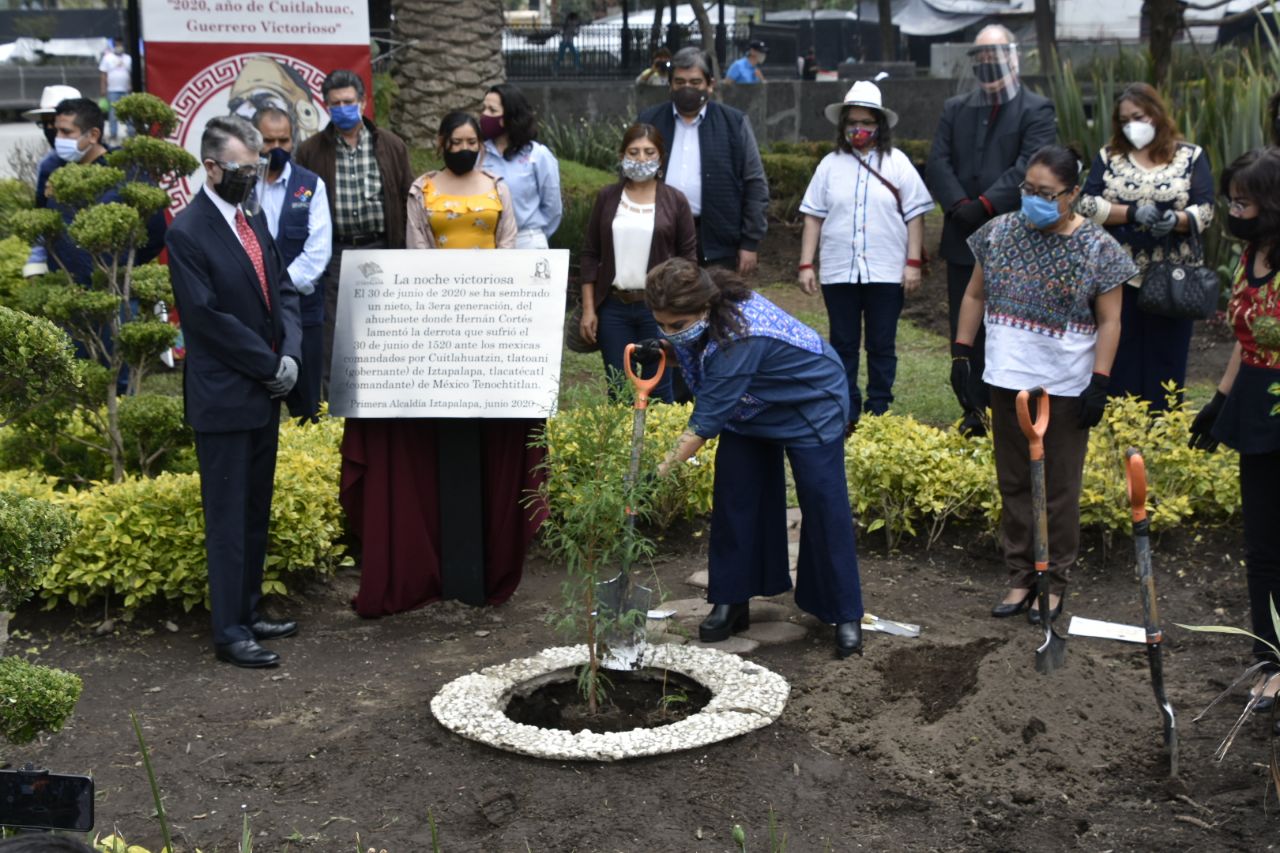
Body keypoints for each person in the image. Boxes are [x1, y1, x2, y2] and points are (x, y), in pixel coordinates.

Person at [342, 112, 542, 618]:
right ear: (441, 143)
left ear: (482, 144)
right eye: (456, 140)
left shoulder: (497, 186)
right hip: (436, 323)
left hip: (492, 320)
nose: (464, 147)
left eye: (472, 140)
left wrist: (495, 298)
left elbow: (510, 245)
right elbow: (416, 250)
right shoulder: (422, 189)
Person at [646, 258, 865, 658]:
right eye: (660, 324)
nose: (669, 332)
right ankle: (732, 598)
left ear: (705, 306)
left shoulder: (740, 336)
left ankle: (842, 611)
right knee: (736, 495)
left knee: (822, 502)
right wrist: (669, 350)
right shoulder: (714, 317)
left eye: (676, 326)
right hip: (751, 403)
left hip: (809, 403)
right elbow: (700, 351)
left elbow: (704, 422)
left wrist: (656, 475)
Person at [952, 145, 1133, 624]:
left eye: (1046, 193)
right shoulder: (998, 233)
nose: (1033, 199)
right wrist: (962, 353)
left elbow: (1111, 321)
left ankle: (1054, 581)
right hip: (1006, 378)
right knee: (1013, 482)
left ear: (1072, 194)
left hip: (1066, 385)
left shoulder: (1100, 249)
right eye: (1027, 190)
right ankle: (1019, 577)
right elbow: (974, 292)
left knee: (1058, 489)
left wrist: (1100, 380)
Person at [166, 115, 303, 668]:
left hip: (265, 390)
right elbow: (206, 319)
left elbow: (284, 291)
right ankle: (229, 633)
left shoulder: (253, 218)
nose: (254, 175)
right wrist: (268, 363)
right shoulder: (187, 231)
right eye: (245, 167)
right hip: (226, 396)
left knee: (254, 510)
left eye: (258, 165)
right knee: (226, 518)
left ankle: (247, 611)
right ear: (212, 166)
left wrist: (290, 353)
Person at [925, 25, 1057, 436]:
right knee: (966, 326)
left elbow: (1029, 166)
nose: (987, 63)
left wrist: (984, 204)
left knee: (1014, 322)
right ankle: (972, 407)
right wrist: (959, 205)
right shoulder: (956, 106)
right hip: (963, 233)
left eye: (994, 55)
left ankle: (1014, 405)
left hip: (1018, 235)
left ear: (1014, 57)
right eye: (979, 56)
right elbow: (938, 161)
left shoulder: (1037, 108)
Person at [1188, 147, 1280, 714]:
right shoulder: (1250, 258)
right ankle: (1271, 661)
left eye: (1244, 201)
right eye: (1232, 200)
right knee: (1263, 545)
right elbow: (1244, 345)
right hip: (1254, 407)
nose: (1235, 210)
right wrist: (1217, 403)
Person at [798, 81, 933, 428]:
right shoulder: (829, 166)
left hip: (886, 272)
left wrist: (913, 263)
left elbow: (915, 216)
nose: (858, 130)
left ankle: (879, 408)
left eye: (866, 122)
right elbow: (814, 216)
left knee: (881, 344)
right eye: (851, 122)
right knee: (842, 343)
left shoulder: (898, 163)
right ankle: (847, 408)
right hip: (839, 271)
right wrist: (806, 263)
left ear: (879, 126)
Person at [1077, 83, 1214, 412]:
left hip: (1173, 278)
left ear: (1155, 113)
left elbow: (1206, 209)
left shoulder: (1190, 156)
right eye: (1124, 120)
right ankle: (1121, 422)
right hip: (1119, 276)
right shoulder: (1108, 157)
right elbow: (1085, 203)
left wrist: (1178, 219)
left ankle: (1163, 423)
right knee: (1121, 351)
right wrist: (1132, 213)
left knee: (1167, 352)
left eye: (1137, 116)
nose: (1131, 125)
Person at [294, 68, 413, 398]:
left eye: (349, 101)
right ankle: (339, 405)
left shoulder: (391, 146)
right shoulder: (310, 151)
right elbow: (300, 205)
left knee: (386, 331)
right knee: (336, 336)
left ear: (363, 102)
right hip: (336, 254)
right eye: (335, 103)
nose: (343, 108)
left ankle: (390, 399)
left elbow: (406, 198)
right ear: (325, 105)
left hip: (383, 250)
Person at [579, 123, 697, 401]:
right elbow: (590, 254)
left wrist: (682, 309)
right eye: (633, 152)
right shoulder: (607, 198)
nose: (641, 159)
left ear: (660, 157)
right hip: (613, 309)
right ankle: (623, 445)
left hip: (658, 310)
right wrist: (588, 309)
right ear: (622, 156)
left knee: (659, 389)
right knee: (619, 389)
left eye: (648, 152)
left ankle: (658, 444)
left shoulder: (675, 200)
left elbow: (689, 259)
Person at [636, 47, 769, 276]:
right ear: (670, 85)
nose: (687, 88)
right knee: (667, 307)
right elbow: (632, 177)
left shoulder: (733, 123)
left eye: (695, 82)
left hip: (717, 243)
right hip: (661, 238)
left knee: (715, 307)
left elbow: (755, 182)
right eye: (679, 82)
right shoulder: (650, 121)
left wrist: (750, 242)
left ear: (710, 84)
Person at [253, 106, 332, 423]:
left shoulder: (311, 185)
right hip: (254, 309)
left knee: (308, 401)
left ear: (293, 140)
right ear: (255, 140)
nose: (276, 148)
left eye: (283, 140)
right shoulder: (243, 183)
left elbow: (318, 251)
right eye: (268, 141)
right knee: (257, 396)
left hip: (302, 308)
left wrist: (278, 288)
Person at [479, 83, 562, 250]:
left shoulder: (537, 155)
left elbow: (553, 207)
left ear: (510, 116)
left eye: (492, 110)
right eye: (484, 108)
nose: (484, 115)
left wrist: (534, 237)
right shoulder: (479, 154)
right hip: (486, 243)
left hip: (526, 241)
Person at [20, 84, 81, 279]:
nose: (49, 129)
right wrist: (36, 262)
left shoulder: (112, 161)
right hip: (62, 264)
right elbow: (43, 214)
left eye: (53, 121)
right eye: (44, 123)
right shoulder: (49, 165)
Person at [98, 37, 132, 144]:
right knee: (113, 113)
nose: (119, 46)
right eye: (117, 44)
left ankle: (131, 133)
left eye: (120, 44)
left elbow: (130, 74)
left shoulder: (128, 58)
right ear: (114, 45)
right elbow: (103, 74)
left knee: (129, 112)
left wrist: (131, 86)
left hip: (125, 89)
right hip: (112, 90)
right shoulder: (107, 58)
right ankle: (113, 134)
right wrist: (103, 89)